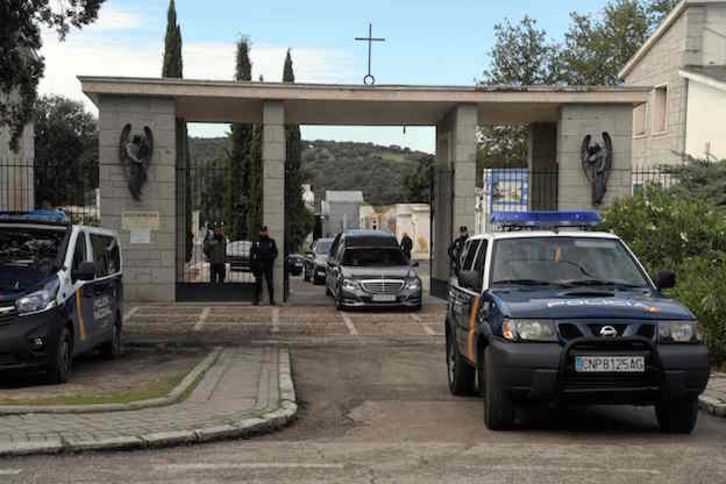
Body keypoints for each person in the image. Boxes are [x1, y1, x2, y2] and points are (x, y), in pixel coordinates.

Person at [251, 226, 278, 305]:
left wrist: (271, 258)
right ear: (260, 232)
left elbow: (275, 252)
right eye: (262, 231)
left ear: (267, 232)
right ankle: (256, 299)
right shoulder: (256, 242)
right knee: (258, 282)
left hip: (268, 264)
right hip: (259, 264)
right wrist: (254, 263)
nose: (263, 233)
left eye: (265, 231)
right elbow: (253, 253)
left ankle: (272, 299)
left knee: (270, 282)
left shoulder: (271, 241)